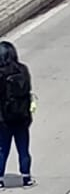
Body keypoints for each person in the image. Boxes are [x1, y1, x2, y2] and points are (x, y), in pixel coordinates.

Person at [0, 41, 34, 188]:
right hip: (22, 116)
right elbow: (28, 90)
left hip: (3, 119)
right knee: (23, 148)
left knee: (2, 149)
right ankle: (26, 177)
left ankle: (0, 179)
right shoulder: (23, 70)